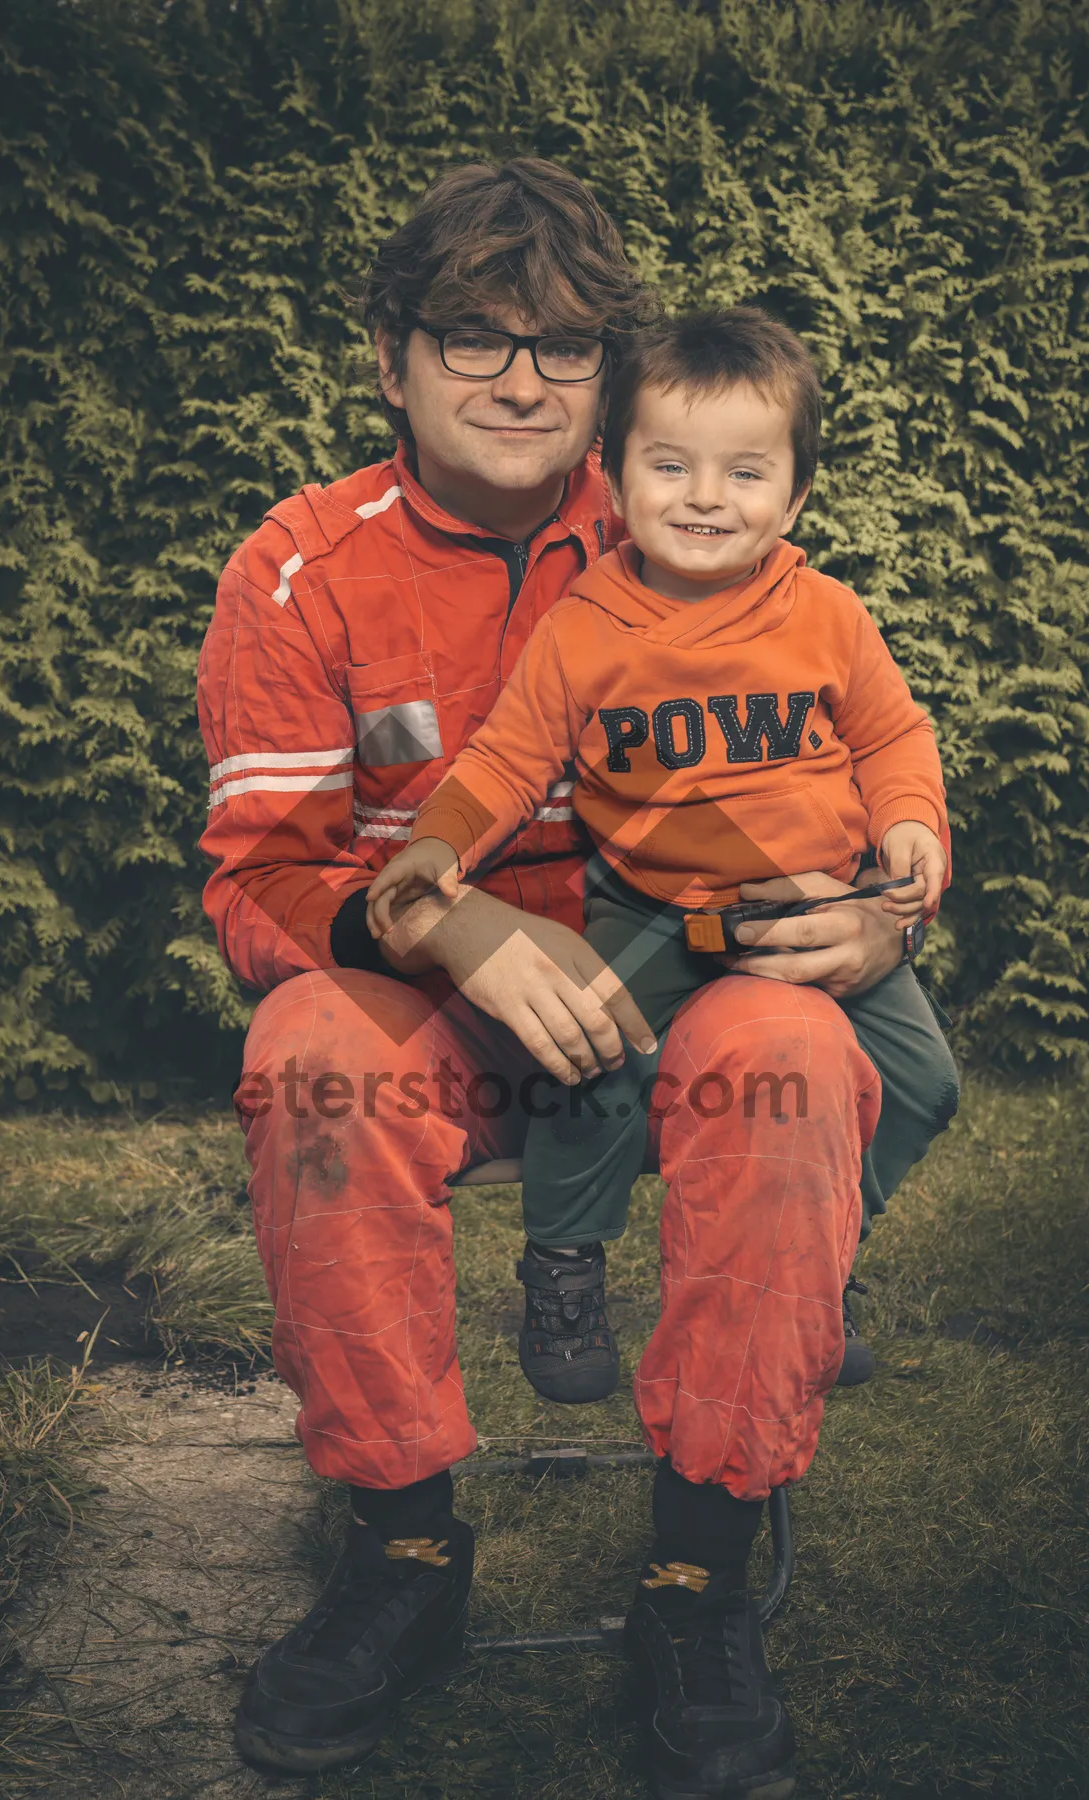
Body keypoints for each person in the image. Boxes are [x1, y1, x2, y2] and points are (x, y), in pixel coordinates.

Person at [197, 159, 960, 1797]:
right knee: (311, 1054)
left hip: (684, 982)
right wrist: (456, 923)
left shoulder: (693, 503)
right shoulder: (299, 571)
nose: (521, 380)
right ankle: (401, 1553)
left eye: (561, 345)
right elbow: (260, 877)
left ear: (613, 378)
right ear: (389, 356)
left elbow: (867, 738)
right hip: (445, 1014)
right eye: (474, 338)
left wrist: (886, 916)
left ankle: (698, 1566)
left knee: (800, 1058)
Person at [366, 306, 954, 1421]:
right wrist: (434, 852)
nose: (702, 496)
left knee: (926, 1084)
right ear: (615, 473)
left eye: (745, 473)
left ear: (795, 496)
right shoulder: (588, 628)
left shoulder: (827, 616)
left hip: (814, 921)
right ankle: (564, 1270)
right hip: (651, 909)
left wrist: (913, 826)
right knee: (590, 1064)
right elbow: (501, 763)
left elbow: (891, 737)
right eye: (670, 464)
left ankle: (820, 1259)